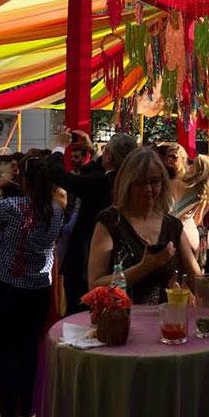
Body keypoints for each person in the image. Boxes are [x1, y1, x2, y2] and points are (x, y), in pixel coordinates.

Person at [0, 156, 66, 417]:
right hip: (38, 289)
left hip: (7, 287)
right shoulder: (56, 211)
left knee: (7, 353)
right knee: (29, 353)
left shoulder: (11, 206)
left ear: (22, 180)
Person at [88, 146, 204, 305]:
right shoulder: (111, 222)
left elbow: (196, 279)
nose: (149, 189)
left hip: (166, 324)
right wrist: (145, 267)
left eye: (155, 181)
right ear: (127, 183)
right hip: (121, 322)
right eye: (141, 183)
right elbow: (94, 285)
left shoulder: (172, 226)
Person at [48, 130, 138, 314]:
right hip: (114, 259)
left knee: (79, 312)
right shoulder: (128, 182)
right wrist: (93, 151)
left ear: (109, 156)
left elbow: (59, 175)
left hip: (86, 258)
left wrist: (59, 147)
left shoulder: (100, 182)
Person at [173, 154, 209, 253]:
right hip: (191, 234)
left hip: (174, 231)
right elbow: (198, 218)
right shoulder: (207, 192)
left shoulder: (178, 182)